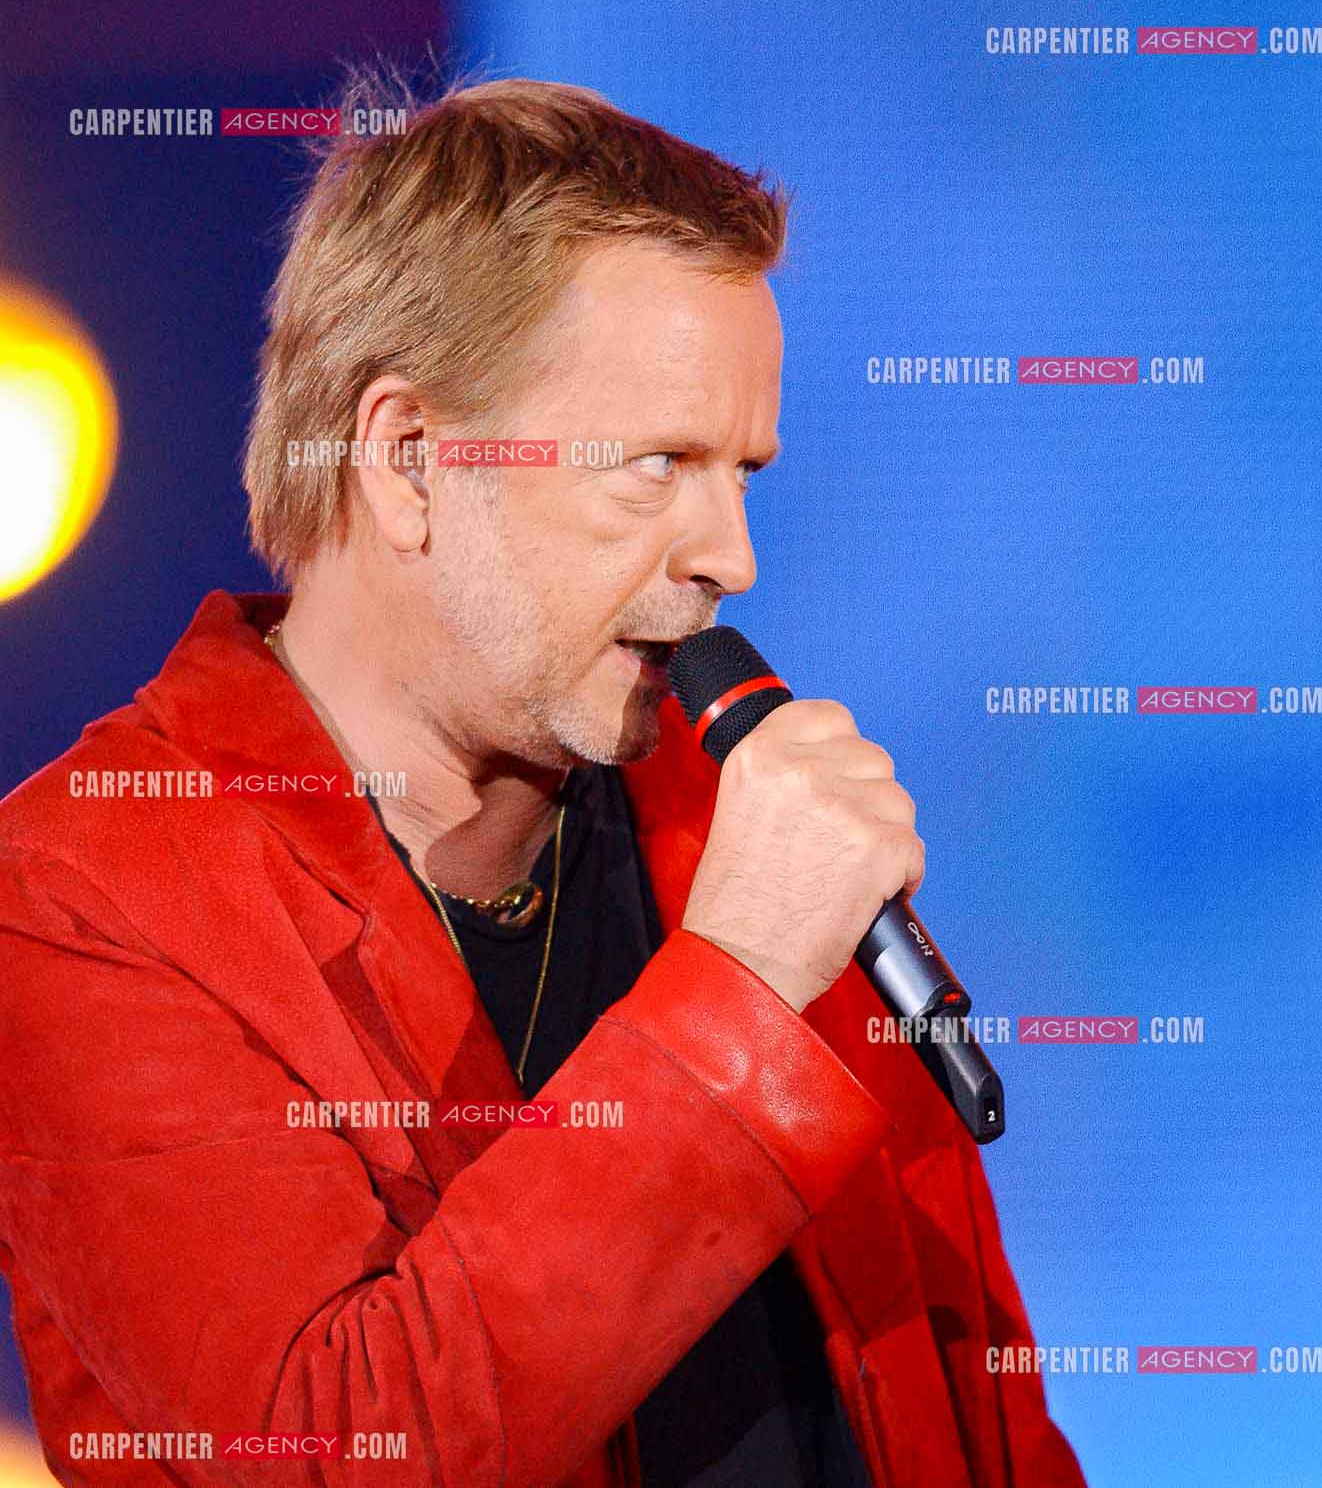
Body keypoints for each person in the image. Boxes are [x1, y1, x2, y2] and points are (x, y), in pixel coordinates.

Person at [0, 72, 1084, 1488]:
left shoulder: (731, 820)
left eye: (742, 471)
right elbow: (333, 1454)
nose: (729, 555)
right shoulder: (90, 889)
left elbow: (979, 1421)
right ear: (407, 462)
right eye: (656, 466)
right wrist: (739, 982)